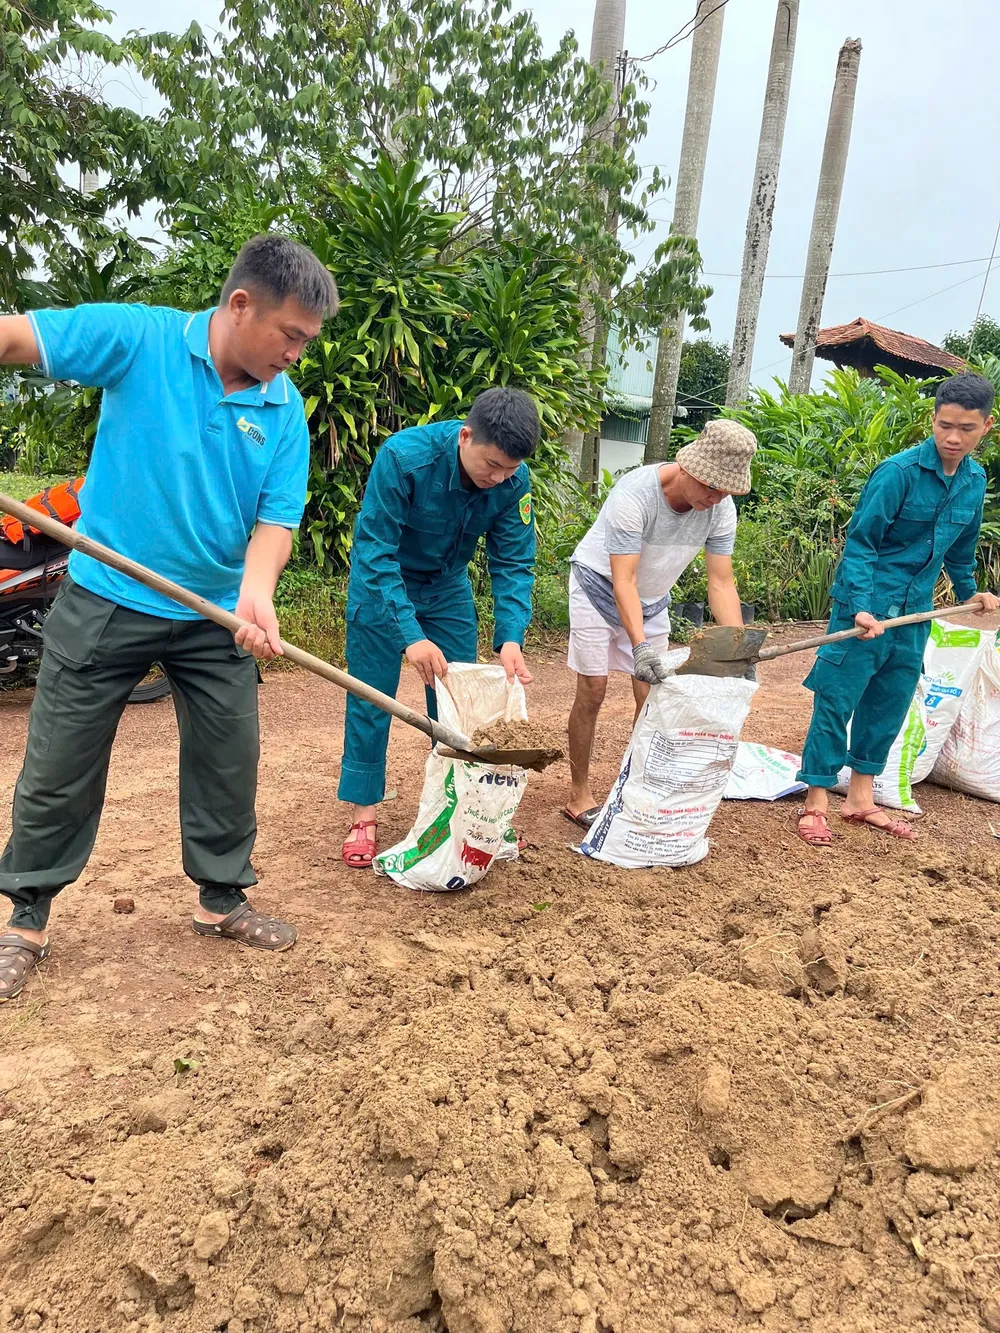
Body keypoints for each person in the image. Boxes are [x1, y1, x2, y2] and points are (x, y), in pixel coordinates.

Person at [0, 234, 338, 999]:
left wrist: (256, 594)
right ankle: (25, 917)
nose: (297, 354)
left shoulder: (284, 412)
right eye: (291, 336)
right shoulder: (142, 339)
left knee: (229, 755)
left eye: (307, 342)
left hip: (215, 611)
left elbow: (275, 523)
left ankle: (221, 900)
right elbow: (21, 336)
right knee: (59, 760)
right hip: (106, 594)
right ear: (241, 305)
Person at [796, 372, 1000, 847]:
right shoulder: (898, 473)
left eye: (965, 429)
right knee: (837, 698)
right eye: (944, 425)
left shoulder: (973, 481)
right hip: (865, 607)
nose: (952, 437)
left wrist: (973, 592)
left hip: (916, 613)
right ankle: (817, 802)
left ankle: (861, 800)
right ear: (932, 419)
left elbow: (961, 548)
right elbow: (862, 543)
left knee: (889, 702)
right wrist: (862, 609)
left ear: (986, 426)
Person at [339, 387, 539, 867]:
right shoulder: (404, 459)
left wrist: (511, 635)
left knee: (457, 702)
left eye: (510, 470)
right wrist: (411, 636)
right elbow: (375, 553)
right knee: (372, 697)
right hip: (383, 584)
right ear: (466, 436)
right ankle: (364, 814)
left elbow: (513, 561)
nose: (499, 478)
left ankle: (464, 810)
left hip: (447, 588)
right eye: (491, 465)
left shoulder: (514, 481)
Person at [564, 418, 758, 827]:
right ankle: (579, 794)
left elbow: (721, 584)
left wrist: (740, 648)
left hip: (651, 601)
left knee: (652, 699)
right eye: (710, 486)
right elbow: (623, 580)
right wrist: (640, 647)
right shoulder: (635, 494)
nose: (716, 496)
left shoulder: (721, 508)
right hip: (596, 587)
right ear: (687, 468)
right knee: (594, 689)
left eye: (725, 489)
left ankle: (633, 787)